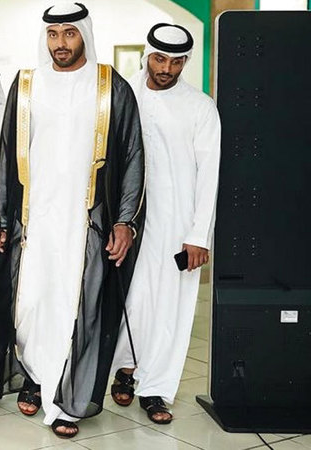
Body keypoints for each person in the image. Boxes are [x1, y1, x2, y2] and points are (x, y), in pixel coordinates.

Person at [0, 2, 145, 439]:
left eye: (69, 33)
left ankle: (64, 398)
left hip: (86, 223)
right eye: (53, 34)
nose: (60, 43)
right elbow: (6, 154)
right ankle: (35, 376)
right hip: (34, 220)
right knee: (29, 304)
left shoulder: (111, 87)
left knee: (75, 306)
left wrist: (124, 220)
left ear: (84, 35)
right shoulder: (27, 85)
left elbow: (133, 155)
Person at [110, 23, 220, 425]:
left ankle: (155, 387)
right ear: (147, 54)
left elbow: (209, 175)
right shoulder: (125, 95)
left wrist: (199, 235)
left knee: (171, 306)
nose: (166, 69)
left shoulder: (200, 106)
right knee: (133, 300)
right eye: (159, 59)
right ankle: (125, 370)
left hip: (178, 223)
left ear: (185, 62)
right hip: (129, 221)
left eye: (176, 62)